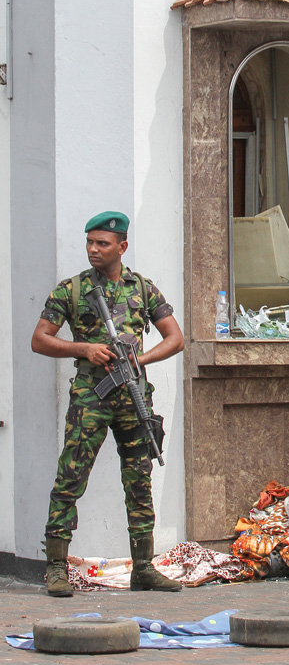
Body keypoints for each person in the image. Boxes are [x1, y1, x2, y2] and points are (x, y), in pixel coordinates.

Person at [31, 211, 185, 597]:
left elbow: (175, 338)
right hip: (91, 397)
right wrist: (84, 348)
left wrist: (140, 360)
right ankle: (56, 567)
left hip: (133, 397)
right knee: (70, 478)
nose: (93, 249)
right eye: (90, 242)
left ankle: (143, 567)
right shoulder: (72, 290)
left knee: (139, 481)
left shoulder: (143, 289)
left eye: (102, 243)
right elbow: (40, 339)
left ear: (122, 246)